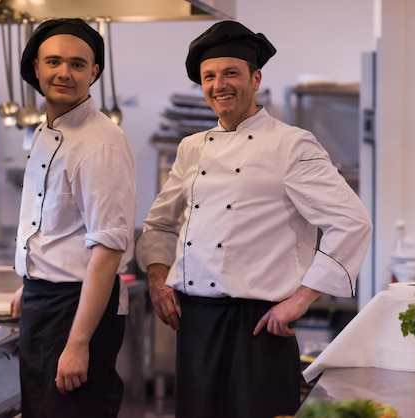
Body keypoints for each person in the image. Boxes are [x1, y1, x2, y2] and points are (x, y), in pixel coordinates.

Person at [135, 20, 372, 418]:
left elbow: (351, 222)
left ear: (255, 77)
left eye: (231, 73)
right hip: (195, 323)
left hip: (259, 327)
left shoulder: (291, 144)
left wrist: (300, 300)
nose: (219, 85)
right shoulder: (192, 148)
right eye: (209, 76)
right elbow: (157, 224)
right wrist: (158, 280)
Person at [10, 18, 136, 418]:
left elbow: (107, 250)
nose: (64, 73)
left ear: (94, 73)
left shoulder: (101, 144)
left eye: (78, 65)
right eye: (54, 62)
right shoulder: (44, 132)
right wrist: (30, 277)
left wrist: (78, 342)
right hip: (42, 303)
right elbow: (49, 221)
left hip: (78, 309)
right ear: (35, 68)